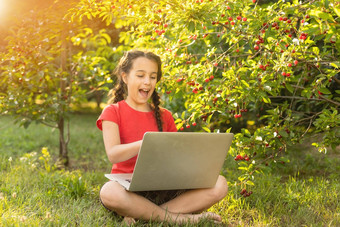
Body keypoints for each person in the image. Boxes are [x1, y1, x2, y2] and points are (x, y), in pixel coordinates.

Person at [96, 50, 228, 225]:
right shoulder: (113, 112)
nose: (147, 82)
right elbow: (113, 154)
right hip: (128, 188)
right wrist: (145, 144)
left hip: (164, 188)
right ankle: (178, 219)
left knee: (219, 183)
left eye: (152, 77)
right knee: (108, 192)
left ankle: (142, 214)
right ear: (125, 77)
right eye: (141, 75)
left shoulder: (165, 116)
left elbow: (174, 158)